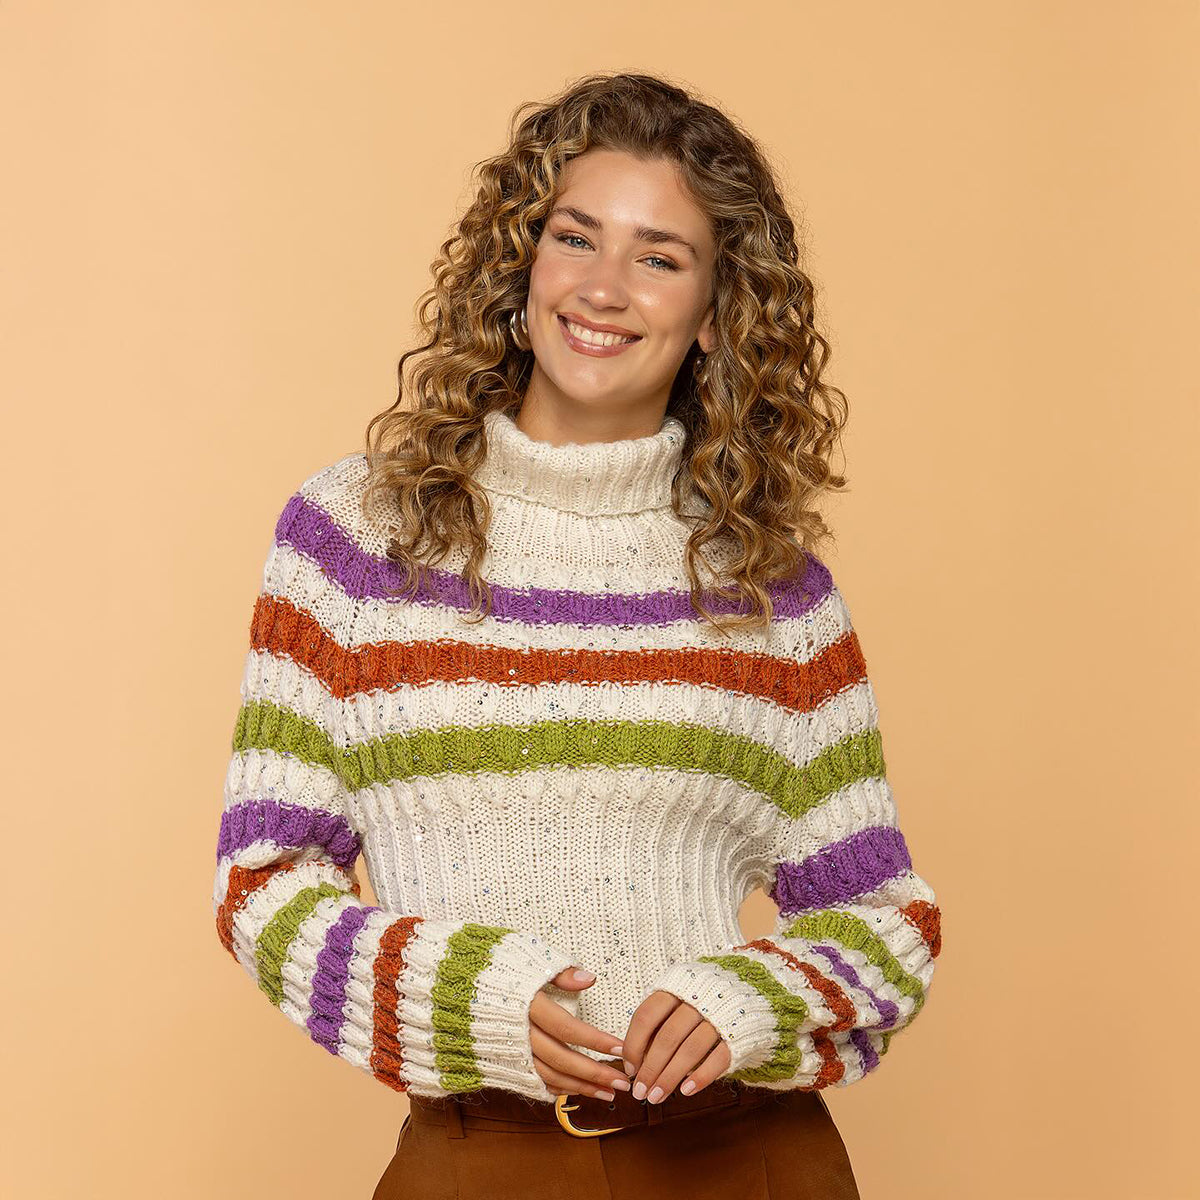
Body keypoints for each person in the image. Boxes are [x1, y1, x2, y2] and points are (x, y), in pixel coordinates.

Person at [212, 71, 941, 1199]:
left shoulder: (774, 589)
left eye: (661, 258)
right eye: (575, 237)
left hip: (743, 1156)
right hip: (480, 1157)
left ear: (717, 315)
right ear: (522, 265)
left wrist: (753, 999)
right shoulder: (357, 538)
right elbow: (263, 880)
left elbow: (883, 921)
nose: (605, 288)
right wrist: (464, 997)